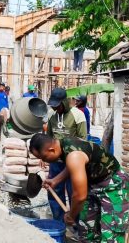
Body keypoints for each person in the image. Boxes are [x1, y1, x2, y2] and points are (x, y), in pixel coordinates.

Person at [29, 133, 129, 242]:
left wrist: (71, 215)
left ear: (51, 150)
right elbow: (72, 167)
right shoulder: (62, 144)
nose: (45, 161)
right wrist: (55, 180)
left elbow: (79, 196)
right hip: (93, 183)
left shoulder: (74, 156)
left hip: (112, 184)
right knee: (87, 230)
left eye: (43, 157)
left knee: (111, 234)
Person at [46, 87, 87, 222]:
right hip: (55, 161)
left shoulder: (77, 115)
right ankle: (59, 221)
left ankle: (75, 222)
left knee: (74, 191)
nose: (55, 109)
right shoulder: (52, 116)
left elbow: (83, 139)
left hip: (72, 161)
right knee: (54, 190)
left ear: (64, 102)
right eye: (53, 106)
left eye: (57, 106)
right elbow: (49, 137)